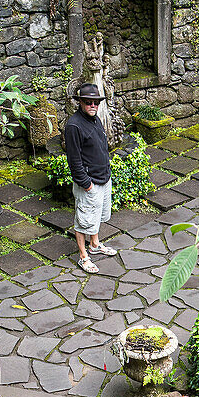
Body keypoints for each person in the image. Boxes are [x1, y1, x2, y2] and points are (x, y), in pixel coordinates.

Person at [64, 82, 118, 275]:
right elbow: (74, 160)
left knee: (96, 217)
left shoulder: (95, 119)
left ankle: (94, 245)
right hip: (90, 183)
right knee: (84, 220)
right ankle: (83, 256)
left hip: (103, 179)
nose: (93, 105)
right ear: (80, 102)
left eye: (96, 102)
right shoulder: (74, 125)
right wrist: (86, 184)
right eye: (88, 102)